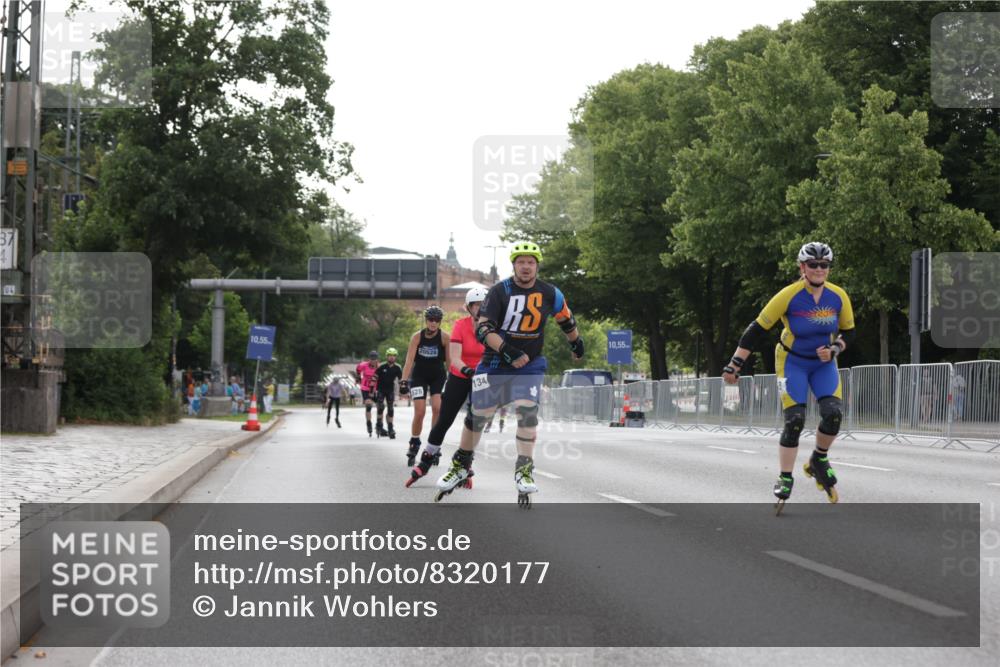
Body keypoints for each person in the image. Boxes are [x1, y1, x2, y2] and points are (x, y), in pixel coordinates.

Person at [435, 241, 583, 507]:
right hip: (495, 362)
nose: (526, 267)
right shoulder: (498, 292)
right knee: (478, 417)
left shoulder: (550, 292)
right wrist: (508, 351)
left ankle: (524, 468)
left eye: (531, 262)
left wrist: (575, 342)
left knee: (527, 411)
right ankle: (460, 464)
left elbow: (566, 318)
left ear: (537, 265)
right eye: (521, 262)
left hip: (531, 363)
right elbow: (483, 330)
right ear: (513, 265)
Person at [722, 242, 855, 511]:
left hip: (822, 364)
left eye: (824, 265)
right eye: (813, 265)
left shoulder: (838, 295)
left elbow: (849, 331)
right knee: (795, 419)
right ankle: (785, 477)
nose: (819, 270)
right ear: (802, 267)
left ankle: (818, 459)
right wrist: (735, 364)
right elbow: (756, 329)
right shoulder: (789, 295)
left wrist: (834, 349)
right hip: (791, 362)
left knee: (833, 414)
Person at [407, 287, 488, 487]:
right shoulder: (460, 325)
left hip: (484, 377)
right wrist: (468, 371)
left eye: (483, 305)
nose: (479, 309)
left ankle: (465, 462)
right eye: (476, 305)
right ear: (469, 308)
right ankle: (426, 458)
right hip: (461, 375)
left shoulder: (496, 327)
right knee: (444, 417)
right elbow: (454, 358)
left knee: (474, 421)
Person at [400, 306, 451, 466]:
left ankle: (433, 445)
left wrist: (452, 379)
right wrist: (403, 380)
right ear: (426, 320)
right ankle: (414, 442)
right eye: (430, 320)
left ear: (440, 322)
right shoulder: (417, 337)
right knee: (420, 411)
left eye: (437, 320)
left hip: (438, 376)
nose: (433, 323)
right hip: (419, 376)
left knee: (437, 408)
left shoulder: (445, 338)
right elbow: (409, 360)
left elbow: (449, 361)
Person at [374, 348, 403, 438]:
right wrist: (371, 391)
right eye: (390, 355)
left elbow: (401, 380)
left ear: (395, 357)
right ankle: (379, 425)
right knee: (381, 408)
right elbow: (374, 378)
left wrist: (403, 389)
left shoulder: (397, 367)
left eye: (394, 356)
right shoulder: (381, 366)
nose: (392, 357)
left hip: (390, 390)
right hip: (381, 390)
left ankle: (390, 429)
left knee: (390, 409)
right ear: (387, 356)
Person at [355, 351, 379, 436]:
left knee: (381, 406)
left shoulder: (379, 367)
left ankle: (379, 424)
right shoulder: (364, 365)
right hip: (365, 388)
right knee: (368, 405)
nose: (373, 361)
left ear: (377, 359)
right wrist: (358, 377)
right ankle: (369, 423)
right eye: (371, 359)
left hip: (376, 389)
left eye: (374, 359)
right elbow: (358, 369)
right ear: (369, 359)